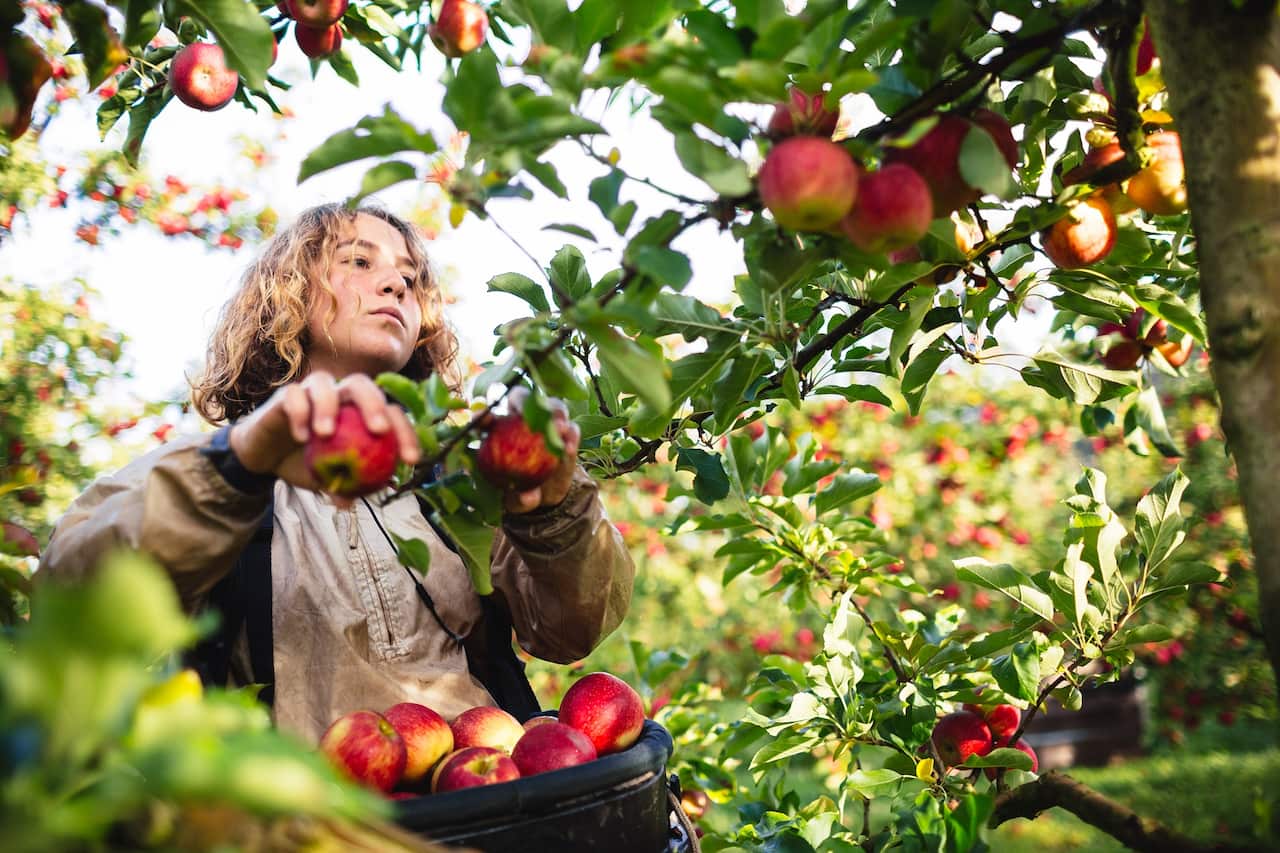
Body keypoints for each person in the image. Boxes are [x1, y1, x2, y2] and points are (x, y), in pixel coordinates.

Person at [38, 203, 636, 742]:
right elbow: (73, 600)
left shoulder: (455, 482)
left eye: (410, 275)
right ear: (290, 294)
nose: (397, 282)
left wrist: (555, 511)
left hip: (485, 806)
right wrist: (240, 468)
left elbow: (571, 632)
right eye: (358, 260)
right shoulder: (214, 468)